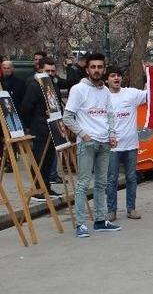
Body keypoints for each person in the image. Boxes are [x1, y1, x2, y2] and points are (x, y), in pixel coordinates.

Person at [62, 53, 122, 238]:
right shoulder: (78, 89)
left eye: (100, 67)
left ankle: (99, 220)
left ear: (104, 69)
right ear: (87, 69)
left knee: (101, 183)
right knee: (82, 185)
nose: (96, 70)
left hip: (105, 143)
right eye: (93, 67)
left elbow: (109, 114)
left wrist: (112, 134)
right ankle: (80, 224)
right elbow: (67, 117)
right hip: (87, 144)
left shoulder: (105, 90)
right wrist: (84, 135)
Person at [103, 66, 147, 221]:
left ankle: (131, 209)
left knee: (131, 178)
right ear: (107, 79)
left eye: (119, 76)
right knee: (112, 179)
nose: (116, 78)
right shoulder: (102, 96)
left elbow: (151, 94)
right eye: (113, 76)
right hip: (112, 147)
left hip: (131, 145)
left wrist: (148, 73)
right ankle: (111, 210)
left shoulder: (131, 93)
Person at [19, 58, 65, 201]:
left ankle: (46, 187)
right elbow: (26, 108)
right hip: (39, 129)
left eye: (52, 71)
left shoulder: (52, 85)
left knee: (49, 159)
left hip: (53, 128)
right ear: (40, 70)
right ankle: (37, 189)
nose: (50, 74)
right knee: (39, 159)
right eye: (47, 71)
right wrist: (31, 125)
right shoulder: (34, 85)